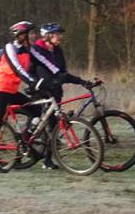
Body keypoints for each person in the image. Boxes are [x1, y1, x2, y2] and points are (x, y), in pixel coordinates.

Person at [0, 21, 61, 173]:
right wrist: (34, 82)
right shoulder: (9, 48)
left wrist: (58, 75)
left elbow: (44, 62)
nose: (34, 36)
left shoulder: (29, 49)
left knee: (37, 112)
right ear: (21, 35)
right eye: (31, 33)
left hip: (12, 90)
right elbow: (17, 68)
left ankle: (25, 141)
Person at [31, 22, 93, 169]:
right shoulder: (36, 49)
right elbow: (34, 70)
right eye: (57, 34)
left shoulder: (58, 51)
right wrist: (43, 82)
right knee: (41, 123)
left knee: (53, 127)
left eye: (60, 34)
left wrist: (82, 82)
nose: (60, 37)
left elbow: (63, 74)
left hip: (56, 92)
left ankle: (47, 160)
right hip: (42, 91)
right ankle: (27, 140)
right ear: (48, 35)